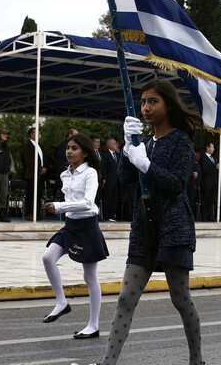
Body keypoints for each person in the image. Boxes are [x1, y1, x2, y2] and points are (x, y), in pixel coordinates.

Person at [90, 80, 204, 365]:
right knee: (126, 298)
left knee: (180, 298)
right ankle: (108, 362)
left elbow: (177, 185)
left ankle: (196, 360)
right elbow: (126, 178)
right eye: (142, 102)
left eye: (153, 101)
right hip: (143, 226)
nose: (145, 107)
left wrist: (147, 165)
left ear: (168, 104)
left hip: (173, 226)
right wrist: (129, 147)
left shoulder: (181, 141)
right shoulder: (146, 142)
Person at [41, 133, 109, 338]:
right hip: (70, 226)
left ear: (85, 153)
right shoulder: (64, 174)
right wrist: (63, 208)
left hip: (87, 226)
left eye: (74, 148)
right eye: (68, 147)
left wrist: (59, 206)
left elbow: (89, 203)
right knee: (47, 258)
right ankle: (62, 303)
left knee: (90, 277)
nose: (69, 151)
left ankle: (93, 325)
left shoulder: (90, 174)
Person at [22, 127, 47, 221]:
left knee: (39, 195)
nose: (39, 135)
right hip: (31, 174)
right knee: (31, 195)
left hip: (40, 175)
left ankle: (38, 213)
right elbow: (29, 160)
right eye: (36, 133)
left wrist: (45, 167)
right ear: (31, 135)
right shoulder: (27, 146)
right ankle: (29, 213)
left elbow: (43, 158)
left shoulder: (40, 145)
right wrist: (39, 168)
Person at [199, 142, 219, 221]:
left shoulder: (214, 158)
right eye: (212, 147)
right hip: (206, 182)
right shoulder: (203, 158)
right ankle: (204, 216)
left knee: (211, 200)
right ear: (207, 148)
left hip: (213, 182)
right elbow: (205, 169)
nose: (213, 149)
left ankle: (210, 215)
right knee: (205, 199)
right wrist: (215, 168)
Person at [101, 138, 120, 221]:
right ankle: (106, 215)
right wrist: (104, 178)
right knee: (107, 198)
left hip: (116, 181)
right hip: (108, 181)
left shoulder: (117, 155)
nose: (116, 145)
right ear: (110, 145)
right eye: (114, 143)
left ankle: (112, 215)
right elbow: (104, 168)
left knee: (115, 198)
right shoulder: (105, 155)